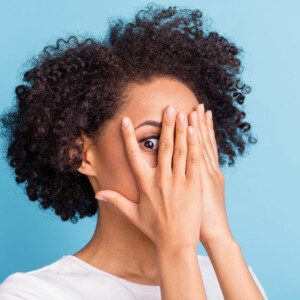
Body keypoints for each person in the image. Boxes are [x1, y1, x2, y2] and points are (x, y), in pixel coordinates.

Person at [0, 3, 268, 299]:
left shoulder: (229, 277)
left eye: (193, 139)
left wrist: (220, 240)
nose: (181, 161)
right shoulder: (33, 293)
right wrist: (176, 248)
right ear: (81, 153)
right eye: (151, 142)